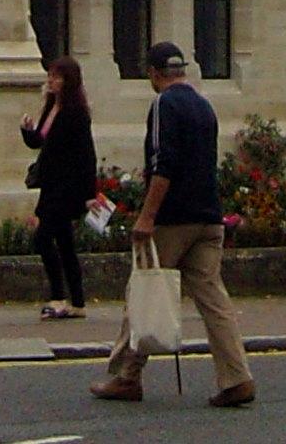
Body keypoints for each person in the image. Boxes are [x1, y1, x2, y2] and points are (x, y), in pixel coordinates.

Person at [93, 38, 254, 409]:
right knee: (214, 300)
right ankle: (237, 377)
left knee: (145, 291)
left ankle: (127, 376)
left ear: (154, 73)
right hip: (208, 217)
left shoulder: (164, 104)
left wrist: (147, 216)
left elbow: (163, 163)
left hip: (173, 218)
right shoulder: (203, 105)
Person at [20, 54, 98, 320]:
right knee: (65, 244)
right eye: (50, 76)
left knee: (43, 239)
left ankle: (58, 297)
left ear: (68, 81)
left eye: (56, 77)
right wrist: (27, 130)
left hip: (67, 188)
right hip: (51, 185)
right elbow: (39, 142)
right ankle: (77, 302)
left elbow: (86, 154)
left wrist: (89, 194)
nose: (51, 81)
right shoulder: (52, 106)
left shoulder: (76, 113)